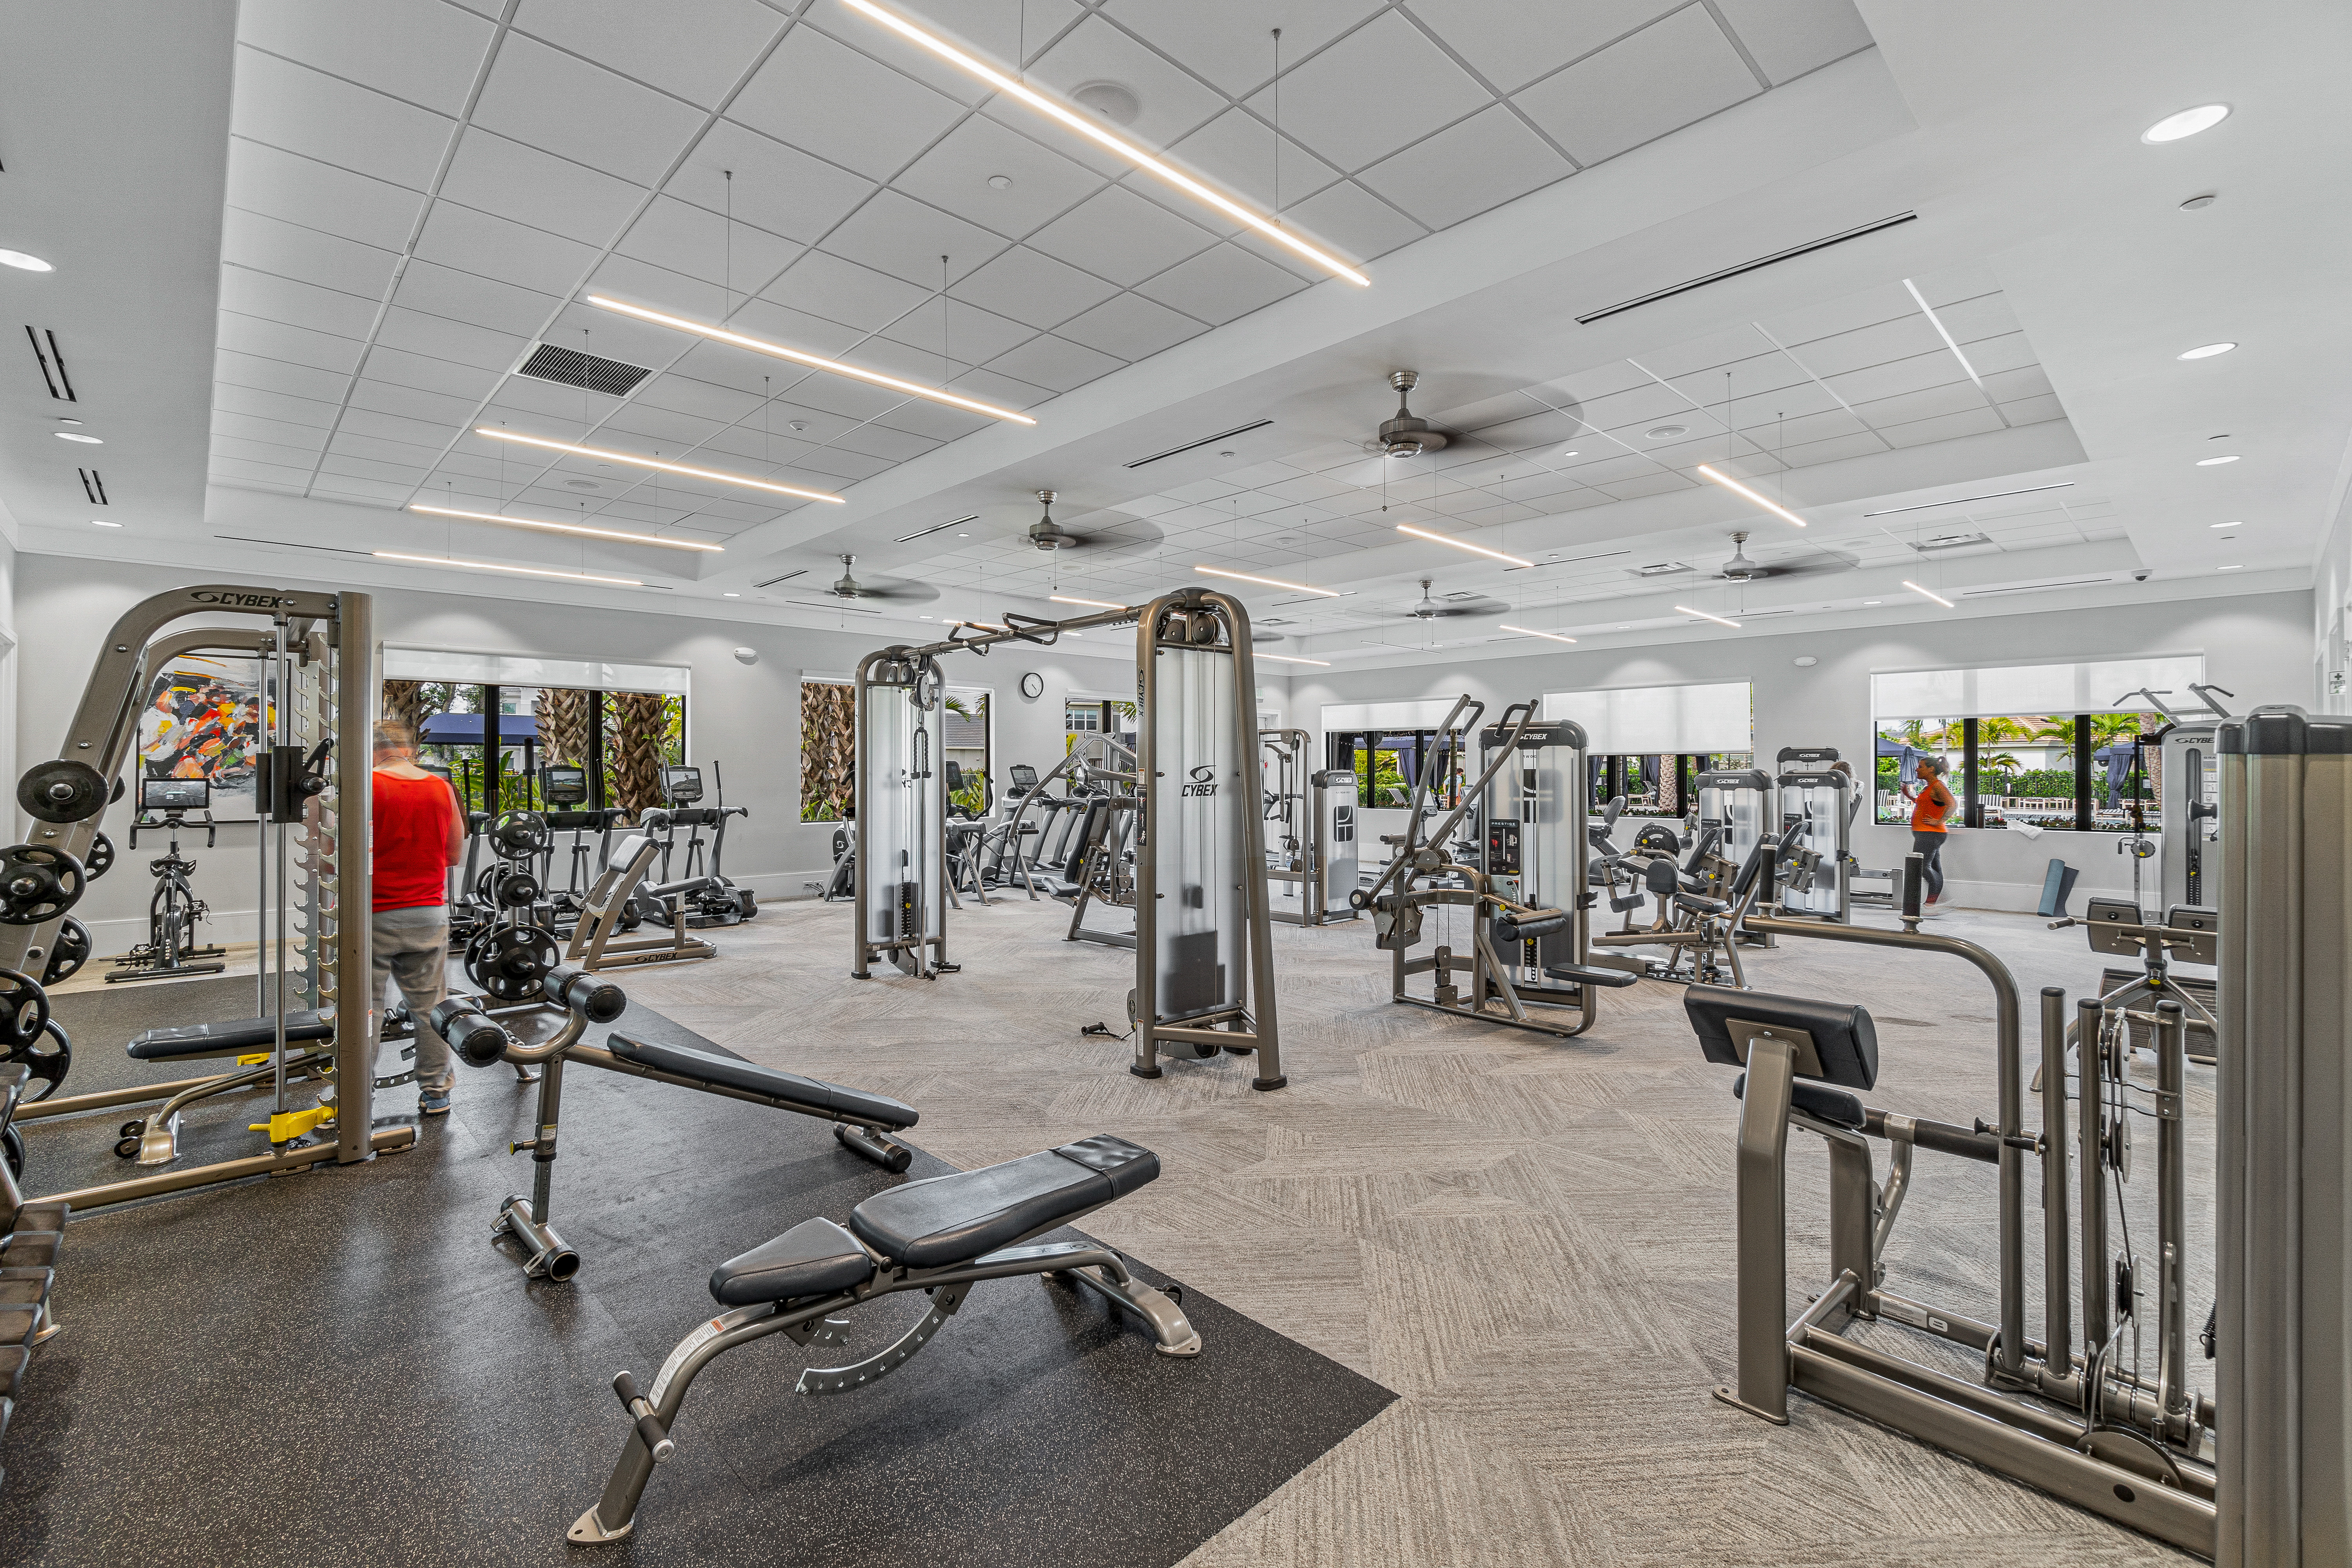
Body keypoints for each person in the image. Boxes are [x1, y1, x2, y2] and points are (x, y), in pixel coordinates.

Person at [372, 719, 464, 1114]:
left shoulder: (366, 786)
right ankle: (437, 1091)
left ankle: (357, 1097)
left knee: (367, 1009)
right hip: (429, 912)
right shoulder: (441, 787)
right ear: (409, 750)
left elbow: (331, 856)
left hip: (373, 913)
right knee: (430, 1009)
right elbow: (453, 855)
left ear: (372, 750)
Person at [1901, 755, 1957, 906]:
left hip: (1931, 834)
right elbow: (1924, 804)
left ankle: (1934, 903)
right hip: (1927, 834)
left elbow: (1953, 804)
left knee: (1921, 867)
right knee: (1934, 869)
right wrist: (1909, 796)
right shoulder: (1929, 787)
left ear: (1931, 769)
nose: (1917, 769)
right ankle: (1933, 903)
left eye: (1921, 767)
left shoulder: (1938, 786)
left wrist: (1939, 821)